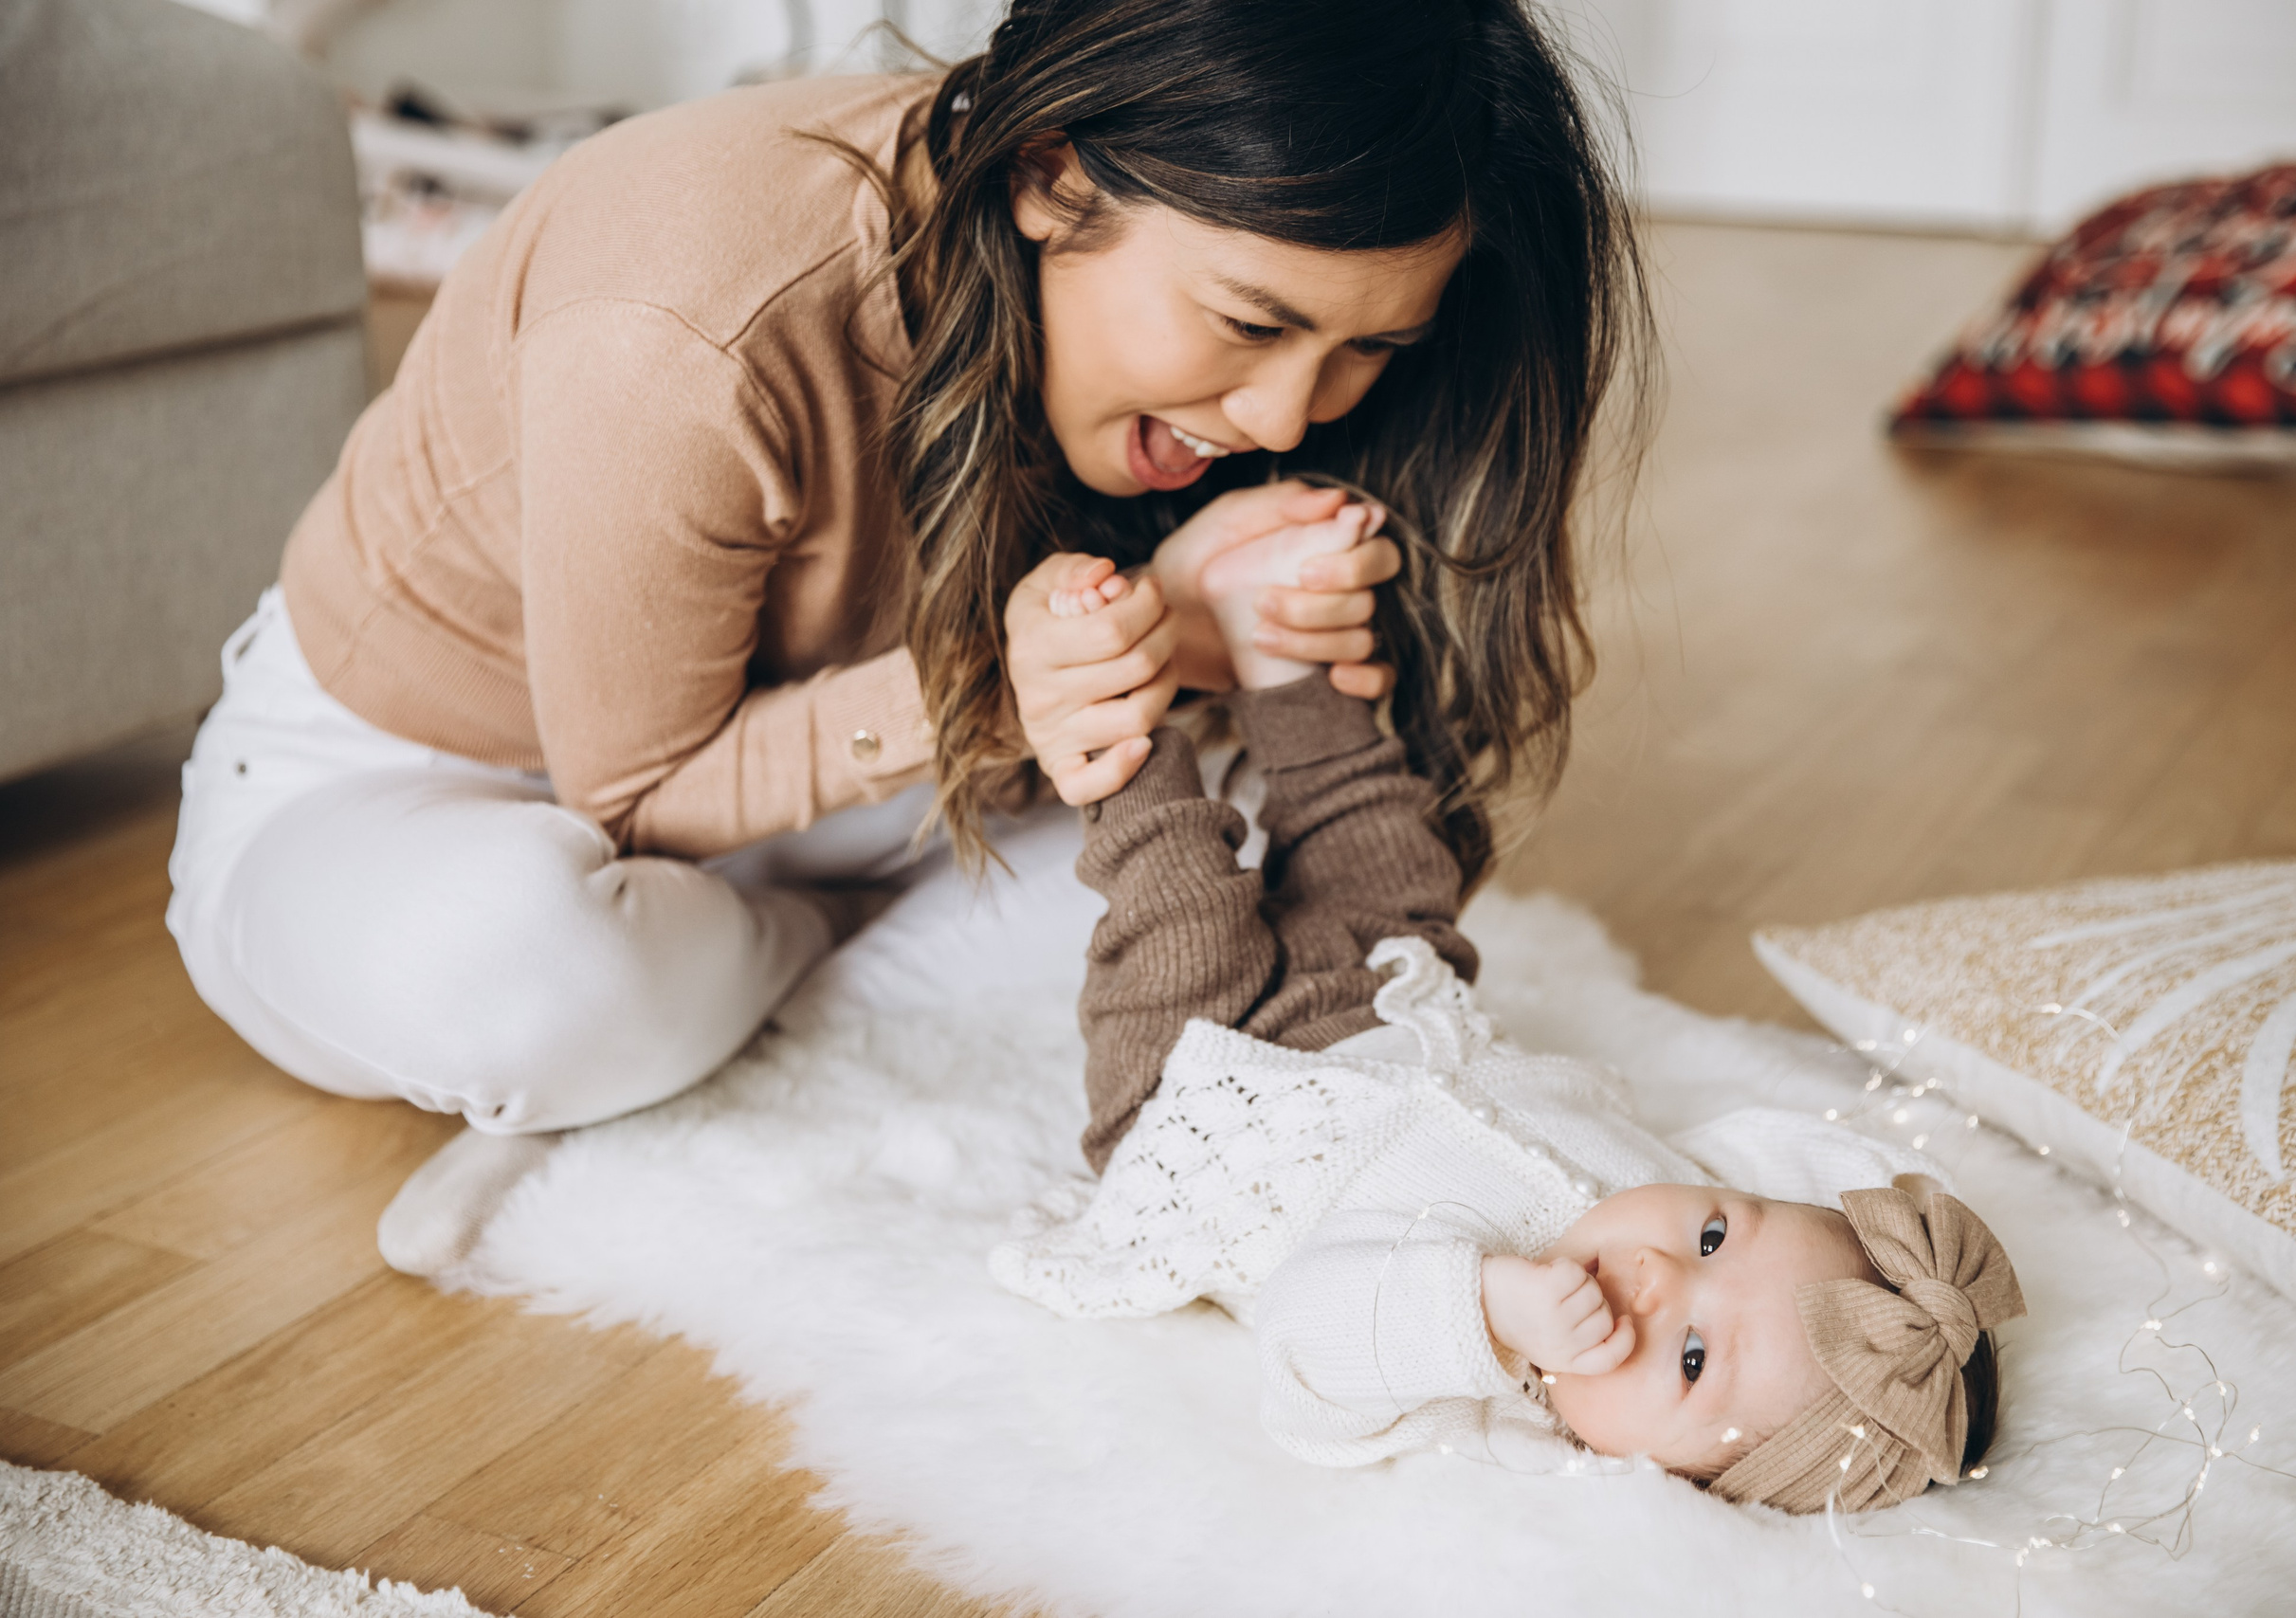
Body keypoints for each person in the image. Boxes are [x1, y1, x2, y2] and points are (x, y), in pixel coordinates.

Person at [167, 0, 1654, 1274]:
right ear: (1049, 175)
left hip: (865, 778)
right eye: (1250, 325)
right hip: (437, 782)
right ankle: (803, 972)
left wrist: (1226, 632)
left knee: (1264, 933)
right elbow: (632, 796)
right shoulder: (687, 317)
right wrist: (1058, 671)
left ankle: (738, 1004)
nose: (1283, 418)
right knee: (510, 963)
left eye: (1367, 352)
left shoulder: (1179, 313)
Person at [991, 517, 2022, 1509]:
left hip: (1205, 1095)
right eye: (1713, 1234)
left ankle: (1105, 696)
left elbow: (1304, 1347)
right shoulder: (1701, 1195)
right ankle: (1277, 650)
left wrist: (1481, 1310)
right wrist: (1869, 1240)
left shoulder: (1494, 1408)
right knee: (1395, 862)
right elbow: (1791, 1163)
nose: (1661, 1273)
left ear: (1673, 1477)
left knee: (1181, 900)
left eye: (1692, 1358)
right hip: (1390, 1003)